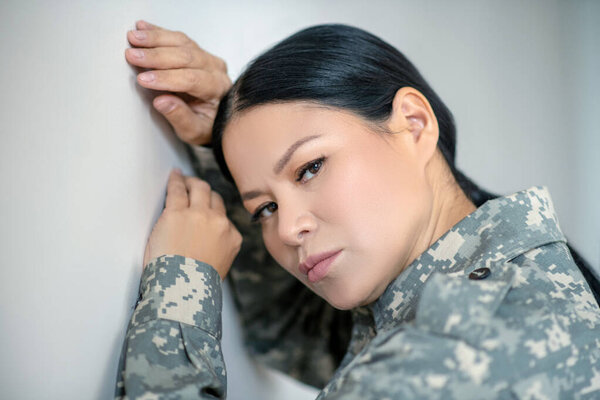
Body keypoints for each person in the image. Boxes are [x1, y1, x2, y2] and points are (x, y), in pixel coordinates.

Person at [116, 20, 600, 399]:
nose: (287, 229)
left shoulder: (468, 345)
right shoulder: (477, 285)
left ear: (413, 123)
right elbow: (290, 331)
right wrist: (232, 135)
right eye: (264, 208)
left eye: (309, 168)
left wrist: (179, 286)